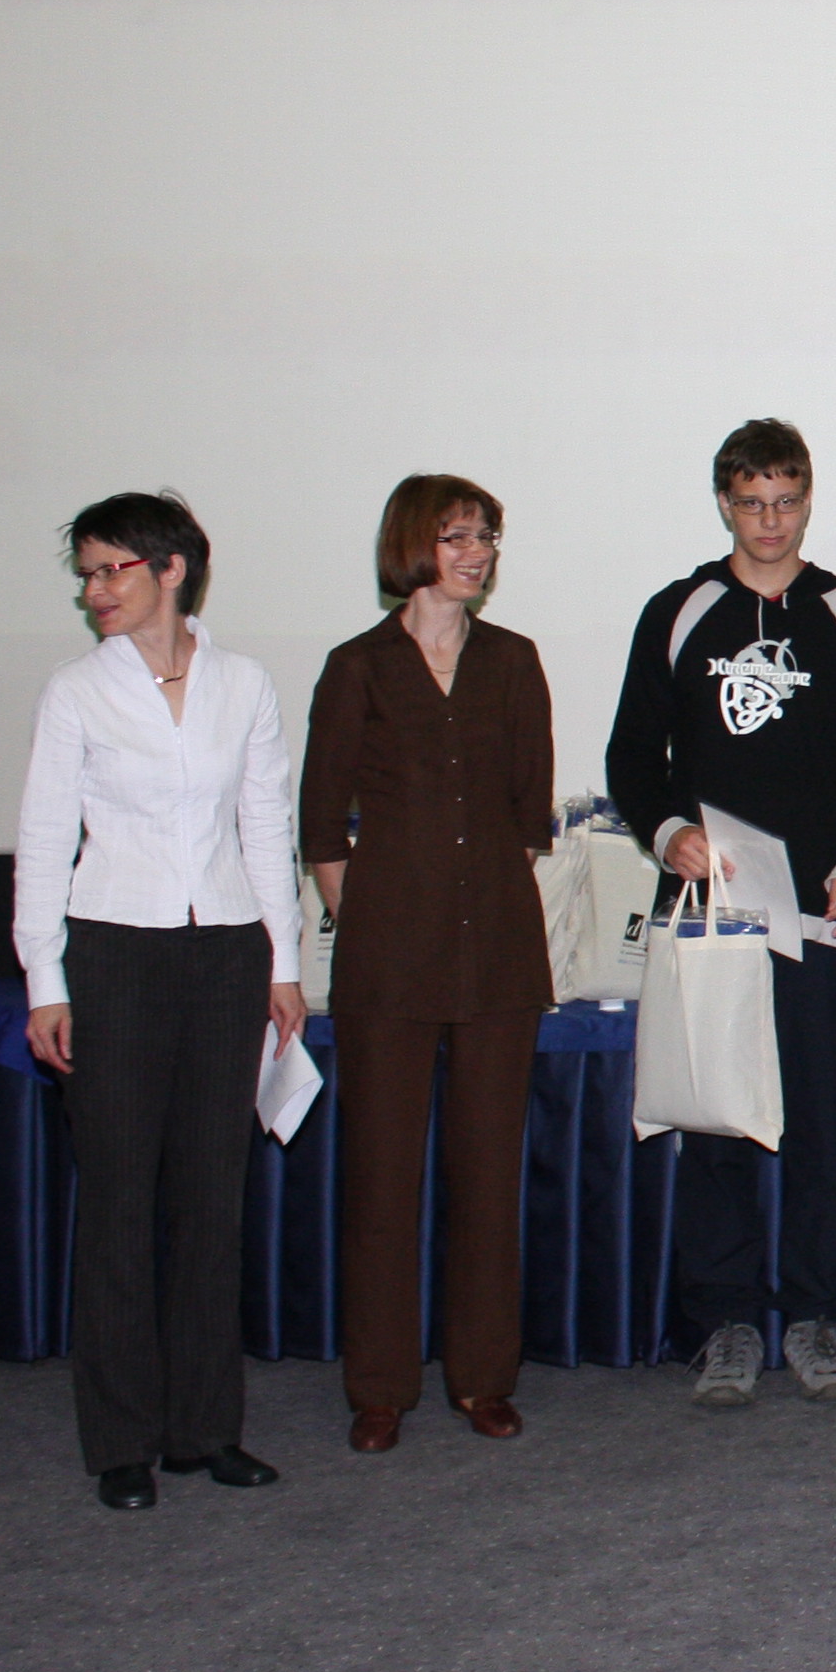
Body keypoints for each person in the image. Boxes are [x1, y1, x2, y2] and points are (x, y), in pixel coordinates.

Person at [607, 418, 836, 1407]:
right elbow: (632, 756)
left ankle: (819, 1319)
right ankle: (727, 1324)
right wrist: (669, 833)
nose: (770, 521)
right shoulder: (679, 612)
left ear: (807, 500)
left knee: (826, 1129)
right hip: (713, 919)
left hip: (826, 921)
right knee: (718, 1125)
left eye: (786, 502)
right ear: (725, 504)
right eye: (752, 503)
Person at [16, 491, 305, 1511]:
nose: (96, 590)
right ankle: (121, 1443)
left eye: (113, 570)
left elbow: (265, 827)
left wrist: (283, 963)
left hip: (224, 951)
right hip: (113, 952)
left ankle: (205, 1431)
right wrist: (45, 980)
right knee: (119, 1203)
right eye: (88, 574)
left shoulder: (243, 683)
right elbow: (44, 840)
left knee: (210, 1202)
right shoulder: (76, 691)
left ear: (171, 569)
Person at [302, 475, 554, 1453]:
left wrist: (467, 907)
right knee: (381, 1178)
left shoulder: (513, 661)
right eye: (457, 537)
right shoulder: (357, 666)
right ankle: (380, 1385)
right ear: (414, 546)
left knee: (487, 1177)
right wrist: (373, 919)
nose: (477, 553)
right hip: (387, 964)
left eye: (486, 536)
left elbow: (528, 817)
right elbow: (322, 825)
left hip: (497, 953)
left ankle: (482, 1378)